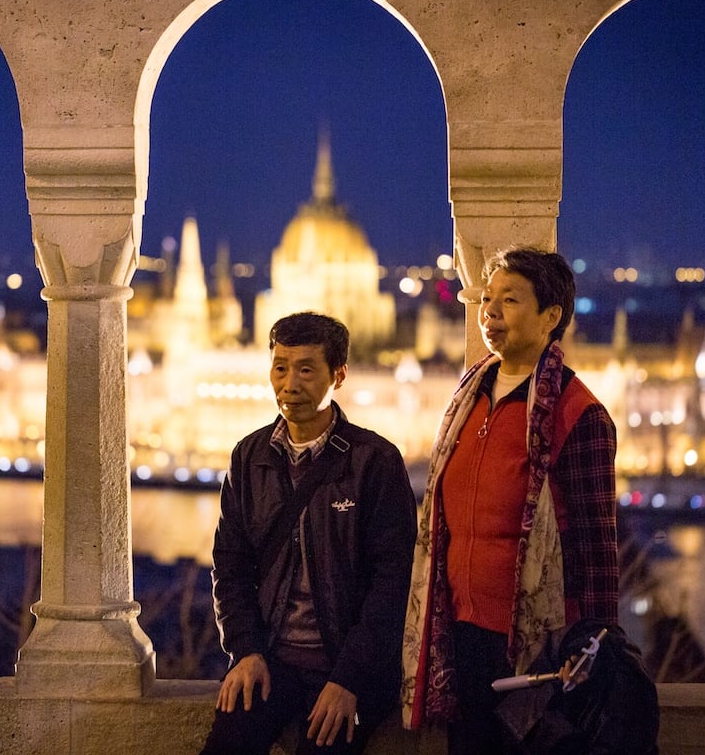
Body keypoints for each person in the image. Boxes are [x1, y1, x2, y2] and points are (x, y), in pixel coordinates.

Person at [401, 247, 620, 755]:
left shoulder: (576, 412)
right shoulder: (470, 394)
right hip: (458, 632)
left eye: (511, 299)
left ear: (551, 317)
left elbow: (596, 547)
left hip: (534, 647)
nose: (490, 311)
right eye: (487, 298)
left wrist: (592, 648)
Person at [201, 311, 418, 755]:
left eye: (305, 369)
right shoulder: (250, 456)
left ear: (338, 376)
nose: (289, 383)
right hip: (271, 661)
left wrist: (350, 679)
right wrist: (245, 651)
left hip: (348, 668)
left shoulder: (374, 461)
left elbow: (392, 584)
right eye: (280, 367)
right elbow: (231, 565)